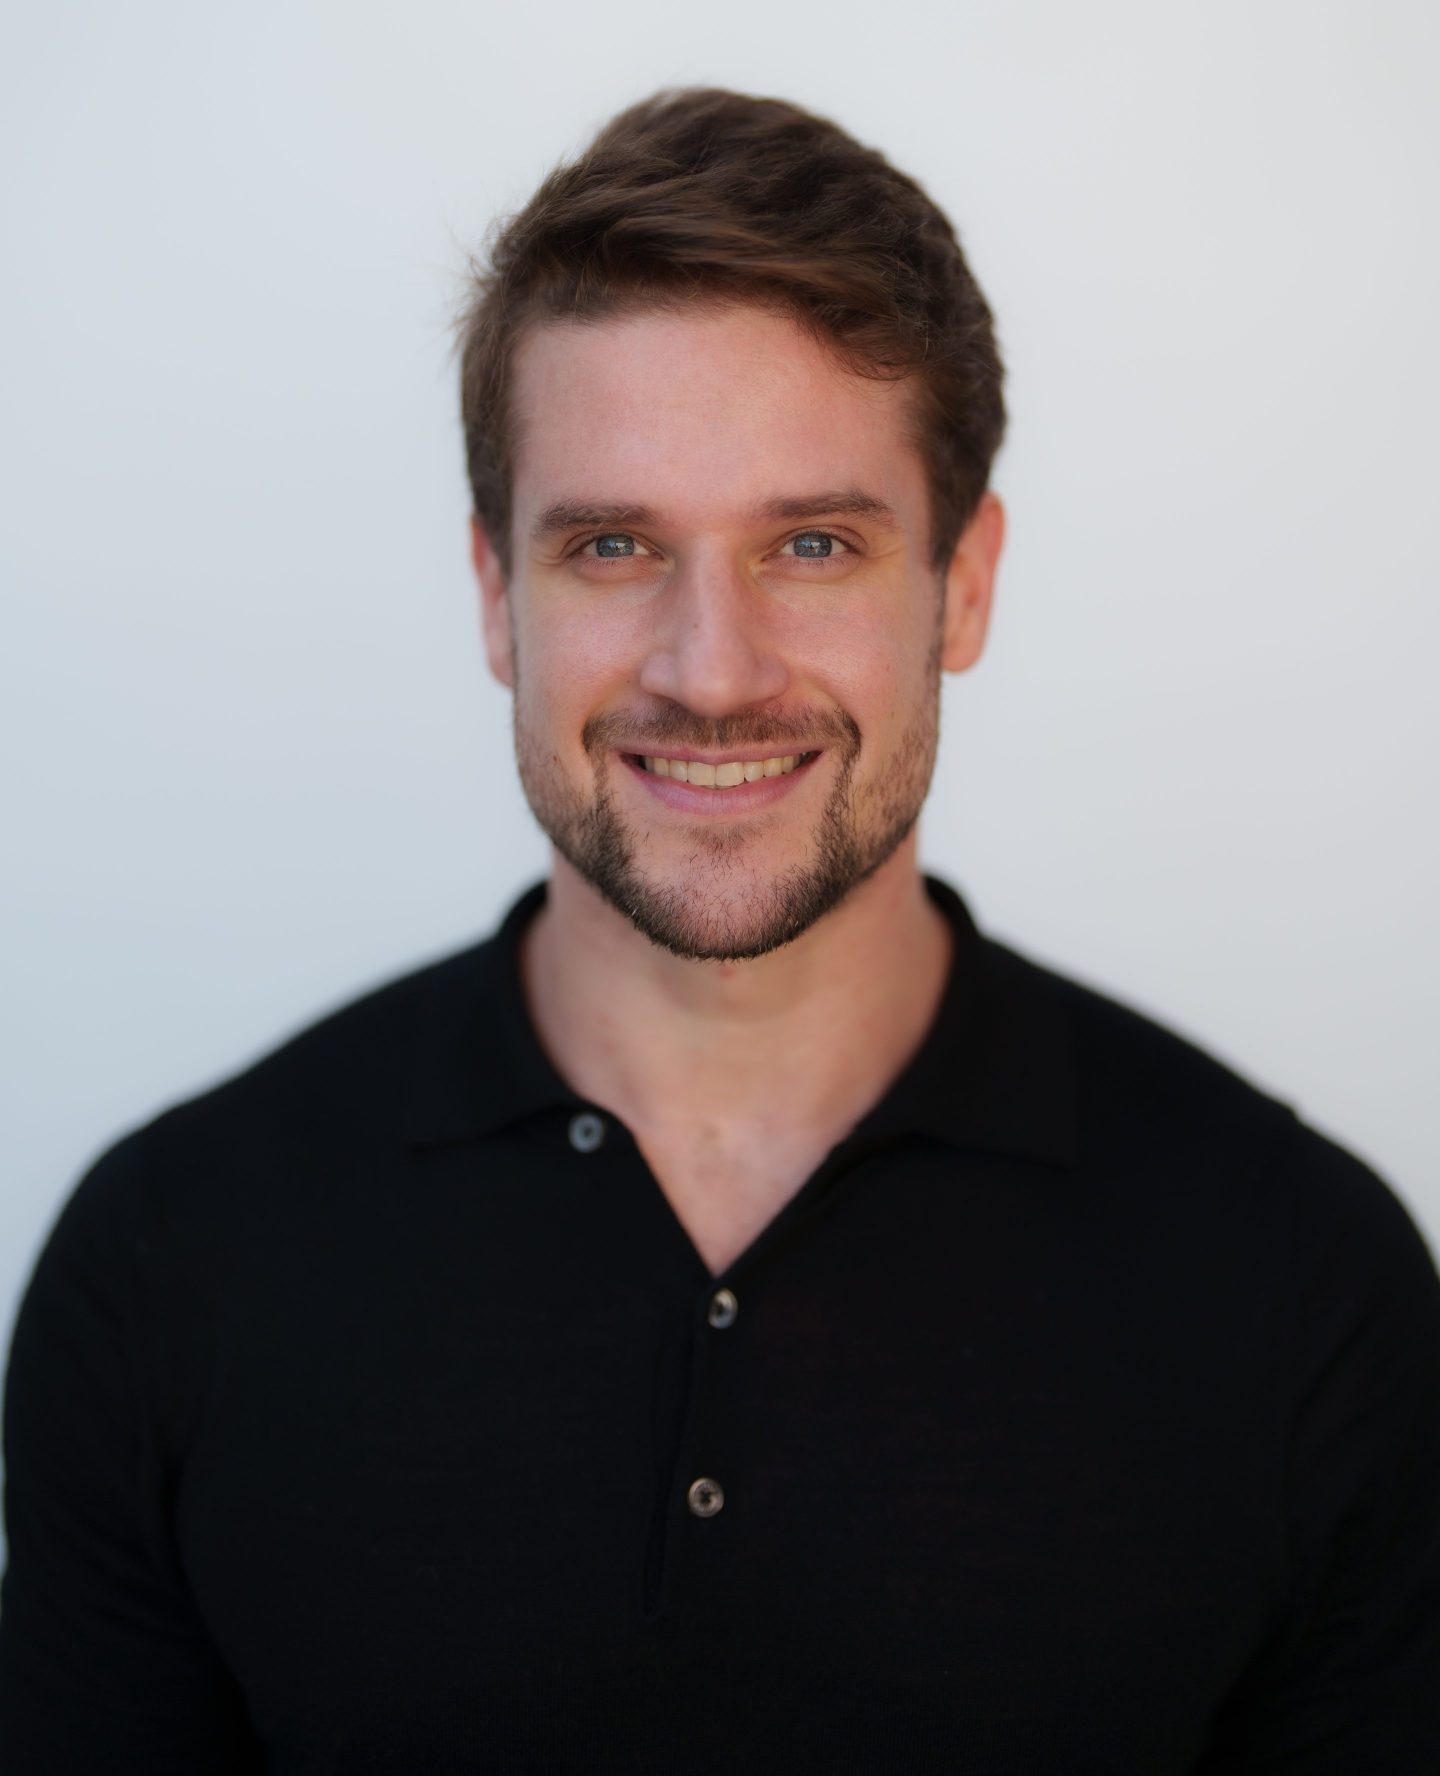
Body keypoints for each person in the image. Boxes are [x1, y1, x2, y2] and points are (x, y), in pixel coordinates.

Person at [1, 88, 1436, 1774]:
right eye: (614, 546)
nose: (712, 670)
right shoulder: (172, 1261)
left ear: (965, 584)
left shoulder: (1302, 1284)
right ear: (496, 596)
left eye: (812, 544)